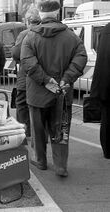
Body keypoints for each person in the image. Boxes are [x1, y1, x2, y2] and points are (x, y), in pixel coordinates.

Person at [20, 0, 87, 177]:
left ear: (40, 14)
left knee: (38, 129)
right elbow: (80, 58)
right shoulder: (72, 36)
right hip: (62, 94)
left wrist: (47, 81)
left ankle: (40, 160)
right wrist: (65, 79)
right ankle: (60, 165)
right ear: (57, 13)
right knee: (61, 128)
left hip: (37, 93)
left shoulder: (30, 37)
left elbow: (28, 62)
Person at [11, 7, 41, 139]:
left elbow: (16, 53)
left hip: (26, 75)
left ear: (28, 21)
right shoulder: (46, 31)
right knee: (40, 104)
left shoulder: (24, 34)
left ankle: (24, 132)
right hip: (43, 76)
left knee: (22, 104)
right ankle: (40, 133)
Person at [90, 22, 110, 159]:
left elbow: (101, 59)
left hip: (105, 83)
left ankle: (107, 151)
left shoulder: (106, 30)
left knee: (107, 118)